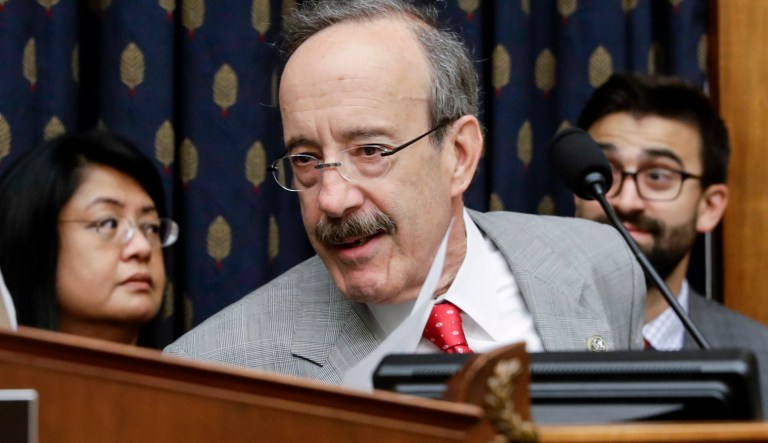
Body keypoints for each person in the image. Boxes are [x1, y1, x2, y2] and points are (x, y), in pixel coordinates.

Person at [165, 0, 645, 385]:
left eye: (371, 151)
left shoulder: (602, 263)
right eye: (307, 159)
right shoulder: (213, 371)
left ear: (458, 155)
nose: (332, 199)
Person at [574, 72, 768, 409]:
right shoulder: (507, 336)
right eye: (605, 171)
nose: (626, 200)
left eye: (658, 176)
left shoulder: (761, 359)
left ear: (709, 206)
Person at [0, 129, 179, 345]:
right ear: (36, 244)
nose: (142, 248)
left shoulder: (197, 375)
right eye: (109, 223)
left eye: (150, 227)